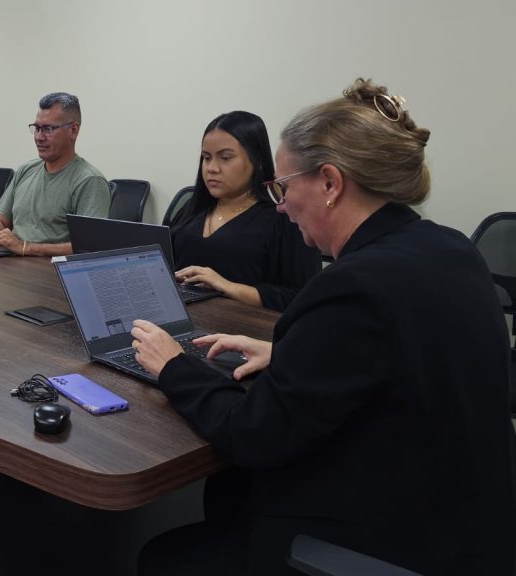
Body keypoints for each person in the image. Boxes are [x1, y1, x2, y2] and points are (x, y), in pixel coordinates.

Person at [133, 80, 516, 575]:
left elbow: (253, 434)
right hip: (468, 518)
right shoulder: (450, 247)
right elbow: (409, 353)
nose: (280, 205)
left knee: (164, 556)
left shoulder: (353, 285)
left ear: (331, 183)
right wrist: (287, 351)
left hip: (386, 538)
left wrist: (172, 365)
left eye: (284, 187)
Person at [168, 111, 320, 311]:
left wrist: (228, 287)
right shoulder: (192, 209)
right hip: (181, 318)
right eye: (206, 158)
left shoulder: (284, 217)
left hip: (244, 325)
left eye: (225, 158)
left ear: (258, 161)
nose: (212, 168)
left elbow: (302, 296)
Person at [0, 92, 109, 256]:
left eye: (48, 129)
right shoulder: (26, 170)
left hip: (47, 269)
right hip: (8, 263)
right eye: (37, 128)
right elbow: (1, 221)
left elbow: (89, 247)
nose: (39, 137)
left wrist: (26, 247)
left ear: (73, 131)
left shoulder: (90, 181)